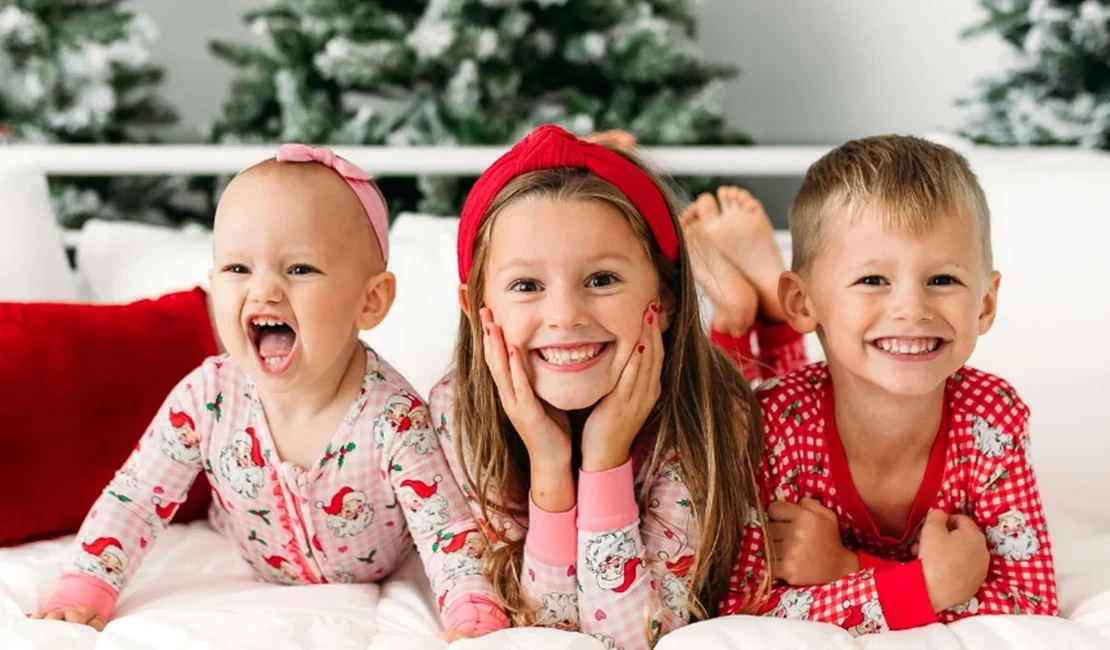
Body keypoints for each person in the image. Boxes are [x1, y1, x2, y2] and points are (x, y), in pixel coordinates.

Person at [30, 144, 508, 638]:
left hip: (377, 566)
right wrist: (85, 586)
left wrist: (470, 607)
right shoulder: (207, 399)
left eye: (299, 269)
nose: (264, 291)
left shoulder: (395, 418)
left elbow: (445, 528)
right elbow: (135, 500)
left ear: (370, 301)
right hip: (248, 548)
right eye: (238, 269)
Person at [427, 124, 796, 650]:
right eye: (526, 285)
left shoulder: (710, 414)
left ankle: (761, 317)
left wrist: (605, 459)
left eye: (601, 279)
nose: (566, 316)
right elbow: (552, 631)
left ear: (665, 300)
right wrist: (549, 467)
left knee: (775, 397)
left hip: (722, 386)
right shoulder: (456, 409)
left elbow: (632, 636)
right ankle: (737, 308)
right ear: (475, 309)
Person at [717, 134, 1058, 633]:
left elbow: (1031, 601)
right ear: (804, 303)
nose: (912, 309)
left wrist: (846, 569)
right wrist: (929, 586)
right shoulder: (772, 425)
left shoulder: (993, 416)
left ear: (985, 305)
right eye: (873, 280)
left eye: (942, 280)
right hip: (776, 397)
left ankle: (767, 311)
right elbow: (738, 605)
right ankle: (742, 316)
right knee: (727, 404)